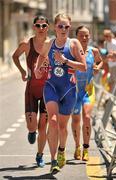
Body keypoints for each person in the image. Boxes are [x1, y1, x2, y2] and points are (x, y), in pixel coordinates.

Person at [35, 13, 87, 173]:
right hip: (51, 86)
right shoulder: (49, 43)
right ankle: (53, 160)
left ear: (69, 28)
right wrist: (38, 69)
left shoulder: (74, 44)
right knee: (53, 121)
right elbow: (42, 56)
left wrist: (65, 60)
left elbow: (83, 67)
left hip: (69, 90)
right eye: (60, 26)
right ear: (55, 27)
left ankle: (62, 150)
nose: (63, 29)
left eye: (66, 26)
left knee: (63, 127)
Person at [12, 15, 49, 167]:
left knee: (43, 126)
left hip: (48, 91)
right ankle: (31, 131)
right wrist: (22, 71)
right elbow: (15, 56)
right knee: (32, 126)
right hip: (31, 89)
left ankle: (40, 155)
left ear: (48, 27)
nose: (41, 29)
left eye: (44, 25)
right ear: (34, 27)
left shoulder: (52, 44)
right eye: (38, 25)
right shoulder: (26, 44)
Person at [71, 25, 103, 161]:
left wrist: (97, 67)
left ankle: (86, 148)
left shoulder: (94, 51)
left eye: (86, 35)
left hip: (88, 90)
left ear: (89, 36)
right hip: (74, 91)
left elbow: (100, 61)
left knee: (87, 117)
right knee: (76, 119)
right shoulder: (72, 52)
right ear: (76, 37)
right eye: (81, 35)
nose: (84, 38)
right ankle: (77, 146)